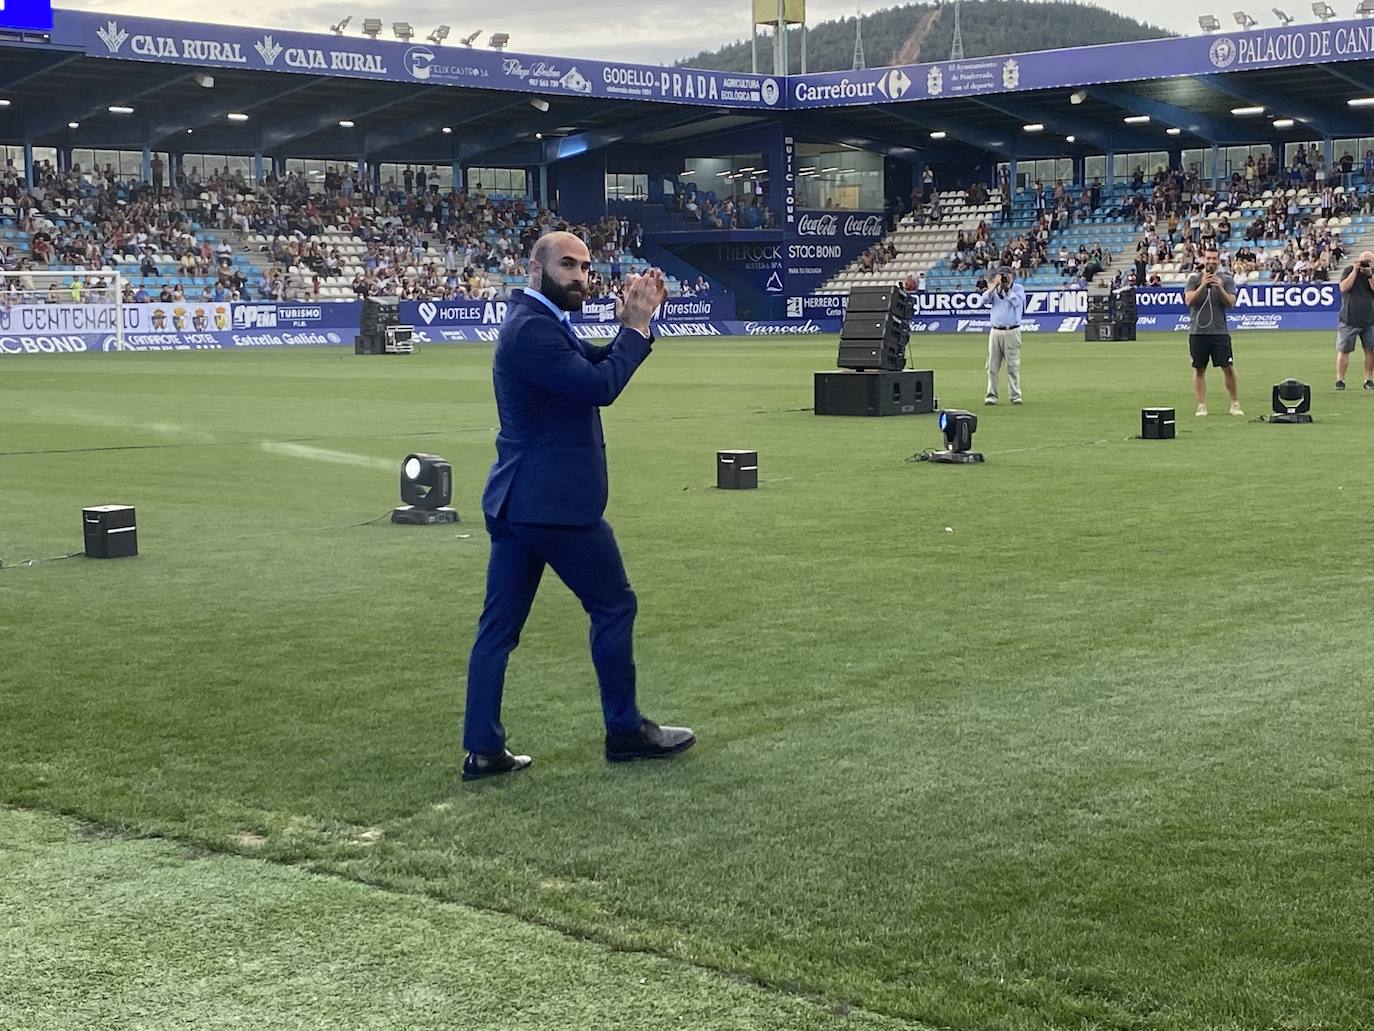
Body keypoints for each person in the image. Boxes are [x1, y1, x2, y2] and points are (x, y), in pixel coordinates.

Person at [461, 231, 695, 782]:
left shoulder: (539, 324)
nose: (580, 275)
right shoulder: (531, 331)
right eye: (568, 264)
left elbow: (596, 361)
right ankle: (624, 732)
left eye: (586, 266)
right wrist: (635, 328)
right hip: (557, 506)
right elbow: (599, 386)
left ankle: (483, 750)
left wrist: (630, 328)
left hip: (519, 501)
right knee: (614, 607)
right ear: (534, 268)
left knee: (498, 629)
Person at [1184, 246, 1241, 416]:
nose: (1211, 261)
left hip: (1219, 331)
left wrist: (1219, 288)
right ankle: (1201, 405)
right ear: (1203, 259)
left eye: (1214, 259)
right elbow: (1189, 301)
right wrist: (1202, 286)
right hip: (1198, 331)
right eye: (1208, 258)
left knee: (1228, 367)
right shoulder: (1194, 278)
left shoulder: (1227, 279)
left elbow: (1231, 303)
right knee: (1199, 369)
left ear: (1218, 261)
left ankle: (1234, 403)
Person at [983, 264, 1025, 405]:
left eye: (1006, 276)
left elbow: (1017, 303)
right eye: (1001, 276)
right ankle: (991, 395)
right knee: (992, 366)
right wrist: (994, 286)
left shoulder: (1018, 289)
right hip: (995, 331)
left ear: (1012, 276)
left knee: (1012, 366)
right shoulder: (995, 290)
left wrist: (1007, 290)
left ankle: (1015, 395)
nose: (1004, 278)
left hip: (1012, 330)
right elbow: (984, 301)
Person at [1335, 250, 1374, 391]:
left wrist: (1369, 275)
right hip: (1349, 319)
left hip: (1369, 319)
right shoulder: (1349, 270)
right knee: (1344, 350)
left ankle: (1369, 379)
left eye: (1369, 262)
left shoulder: (1372, 273)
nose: (1366, 264)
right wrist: (1355, 271)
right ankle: (1340, 380)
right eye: (1364, 261)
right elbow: (1343, 288)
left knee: (1370, 350)